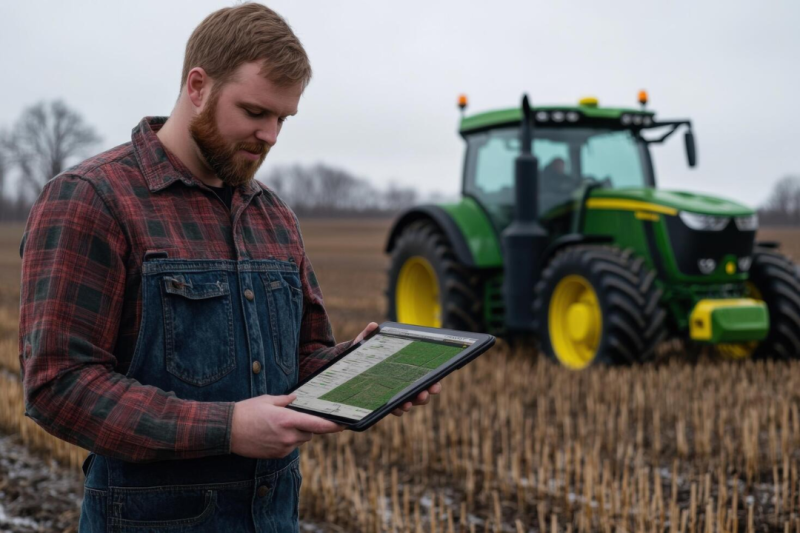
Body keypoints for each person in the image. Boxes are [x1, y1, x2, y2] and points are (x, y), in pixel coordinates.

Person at [17, 4, 440, 532]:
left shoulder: (273, 215)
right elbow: (59, 386)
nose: (271, 136)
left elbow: (301, 360)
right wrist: (228, 427)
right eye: (255, 112)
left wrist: (361, 371)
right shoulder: (92, 199)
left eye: (283, 119)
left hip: (275, 517)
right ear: (198, 86)